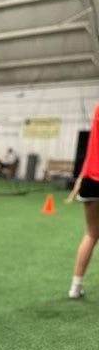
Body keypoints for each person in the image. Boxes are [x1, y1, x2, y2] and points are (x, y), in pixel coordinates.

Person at [68, 105, 99, 299]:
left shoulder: (98, 108)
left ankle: (75, 287)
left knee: (91, 234)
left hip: (90, 179)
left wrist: (81, 176)